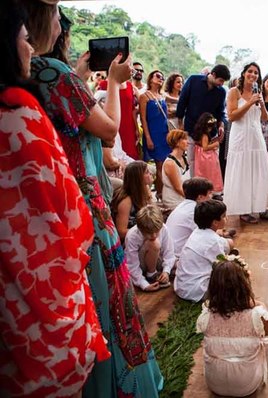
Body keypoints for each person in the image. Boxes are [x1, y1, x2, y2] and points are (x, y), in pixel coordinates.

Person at [24, 2, 164, 395]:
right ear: (44, 23)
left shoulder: (28, 73)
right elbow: (108, 131)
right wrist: (114, 83)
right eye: (56, 17)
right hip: (83, 202)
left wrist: (81, 75)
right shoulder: (55, 73)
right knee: (107, 296)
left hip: (48, 202)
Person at [0, 4, 109, 394]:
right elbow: (74, 218)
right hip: (41, 306)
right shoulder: (19, 116)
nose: (29, 48)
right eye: (22, 39)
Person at [196, 256, 268, 397]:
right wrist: (259, 304)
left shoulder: (206, 314)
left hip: (214, 384)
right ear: (244, 285)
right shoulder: (256, 313)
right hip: (247, 385)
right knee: (258, 340)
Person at [224, 62, 268, 226]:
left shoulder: (257, 92)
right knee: (242, 172)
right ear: (244, 73)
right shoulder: (234, 91)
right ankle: (243, 210)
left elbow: (265, 118)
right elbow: (232, 116)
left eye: (256, 73)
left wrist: (262, 104)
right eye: (250, 71)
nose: (253, 75)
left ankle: (260, 206)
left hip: (256, 136)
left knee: (260, 171)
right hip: (240, 136)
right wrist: (249, 102)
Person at [175, 199, 234, 302]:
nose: (227, 218)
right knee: (233, 280)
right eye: (224, 216)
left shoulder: (197, 231)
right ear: (215, 222)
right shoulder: (213, 241)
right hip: (196, 290)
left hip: (182, 286)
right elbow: (221, 268)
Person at [177, 64, 230, 170]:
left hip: (211, 133)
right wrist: (180, 125)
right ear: (213, 74)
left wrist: (221, 125)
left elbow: (220, 112)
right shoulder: (193, 80)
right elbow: (182, 102)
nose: (221, 84)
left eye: (224, 82)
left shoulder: (221, 91)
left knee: (210, 163)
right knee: (192, 162)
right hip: (191, 129)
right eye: (220, 80)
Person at [161, 177, 215, 273]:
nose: (212, 196)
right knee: (226, 244)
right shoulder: (194, 211)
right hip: (177, 256)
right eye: (210, 193)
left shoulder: (184, 205)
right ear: (200, 197)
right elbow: (205, 236)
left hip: (170, 253)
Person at [140, 70, 171, 196]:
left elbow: (166, 116)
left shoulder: (162, 96)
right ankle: (159, 193)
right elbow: (143, 119)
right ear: (150, 79)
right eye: (158, 76)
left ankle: (160, 192)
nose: (161, 79)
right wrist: (148, 137)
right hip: (153, 133)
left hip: (164, 133)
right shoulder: (144, 96)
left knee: (163, 165)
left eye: (162, 77)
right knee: (158, 164)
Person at [125, 206, 171, 291]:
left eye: (156, 232)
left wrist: (166, 271)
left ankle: (155, 274)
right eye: (148, 233)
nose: (153, 235)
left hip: (157, 260)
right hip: (140, 265)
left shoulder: (164, 228)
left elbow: (169, 253)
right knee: (153, 243)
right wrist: (143, 284)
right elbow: (132, 264)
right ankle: (151, 275)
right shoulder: (132, 236)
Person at [112, 160, 153, 240]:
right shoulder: (126, 201)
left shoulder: (145, 189)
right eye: (147, 172)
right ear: (138, 178)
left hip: (143, 231)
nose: (150, 173)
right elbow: (121, 232)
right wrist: (146, 233)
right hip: (130, 238)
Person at [190, 113, 224, 193]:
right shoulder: (204, 135)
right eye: (210, 127)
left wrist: (213, 141)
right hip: (206, 157)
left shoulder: (199, 133)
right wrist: (215, 144)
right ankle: (212, 189)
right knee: (210, 173)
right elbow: (205, 147)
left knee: (201, 173)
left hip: (199, 155)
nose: (211, 129)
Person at [160, 129, 190, 210]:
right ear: (177, 142)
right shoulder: (170, 163)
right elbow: (178, 188)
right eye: (184, 139)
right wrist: (193, 199)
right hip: (174, 200)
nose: (188, 142)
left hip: (183, 197)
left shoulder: (185, 158)